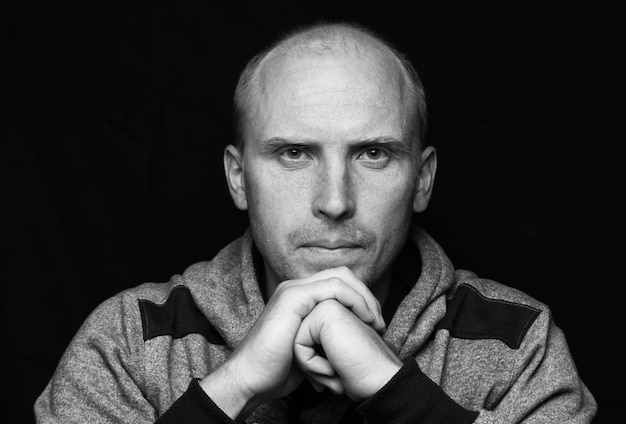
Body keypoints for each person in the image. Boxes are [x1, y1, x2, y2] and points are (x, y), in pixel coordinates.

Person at [35, 22, 596, 423]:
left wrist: (396, 392)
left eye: (372, 153)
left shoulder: (518, 342)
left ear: (422, 180)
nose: (334, 201)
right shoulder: (131, 340)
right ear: (238, 177)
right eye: (294, 154)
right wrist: (234, 386)